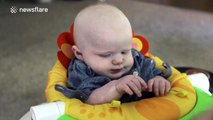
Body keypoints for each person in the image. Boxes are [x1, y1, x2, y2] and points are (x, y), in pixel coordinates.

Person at [55, 3, 171, 105]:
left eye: (124, 52)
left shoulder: (135, 57)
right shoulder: (81, 69)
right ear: (80, 54)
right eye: (106, 55)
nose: (119, 60)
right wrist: (116, 87)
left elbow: (150, 68)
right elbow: (87, 99)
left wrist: (157, 80)